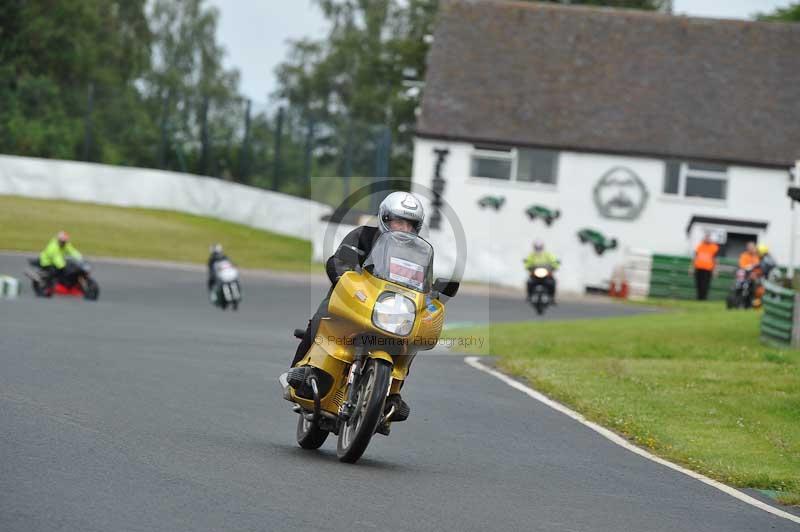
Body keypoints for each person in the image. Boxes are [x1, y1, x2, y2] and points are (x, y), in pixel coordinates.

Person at [692, 232, 719, 300]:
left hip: (708, 269)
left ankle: (704, 298)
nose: (707, 239)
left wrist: (715, 270)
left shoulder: (714, 247)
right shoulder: (699, 246)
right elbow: (695, 257)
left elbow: (715, 259)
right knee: (698, 284)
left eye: (708, 238)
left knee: (705, 284)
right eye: (706, 237)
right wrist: (692, 268)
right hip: (698, 268)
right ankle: (699, 298)